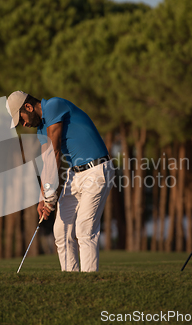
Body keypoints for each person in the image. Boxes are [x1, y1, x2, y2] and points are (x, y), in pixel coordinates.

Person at [6, 90, 114, 272]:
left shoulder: (54, 105)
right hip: (75, 174)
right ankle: (70, 280)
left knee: (84, 230)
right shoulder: (41, 128)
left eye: (22, 119)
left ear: (29, 106)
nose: (23, 124)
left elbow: (54, 152)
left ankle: (88, 284)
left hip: (96, 170)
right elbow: (46, 160)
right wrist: (43, 196)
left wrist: (50, 191)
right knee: (61, 231)